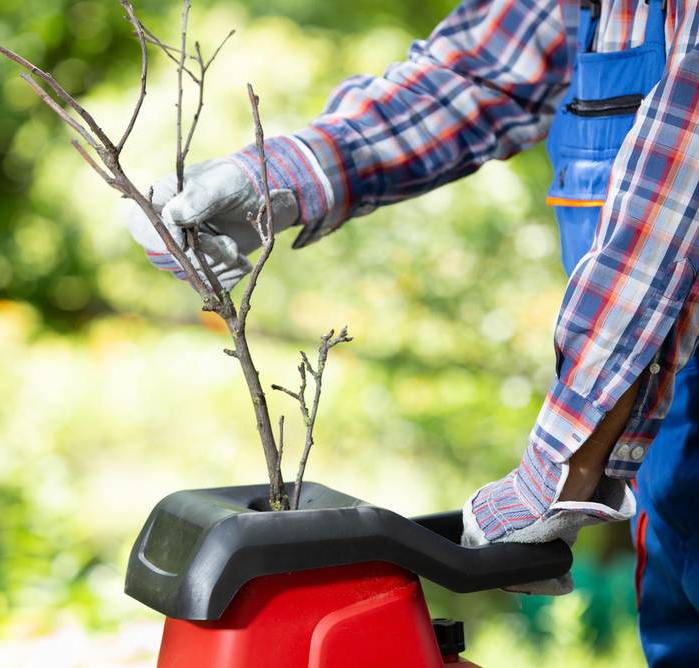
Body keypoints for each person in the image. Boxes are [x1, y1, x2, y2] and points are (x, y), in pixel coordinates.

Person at [127, 0, 699, 664]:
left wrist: (565, 470)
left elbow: (680, 194)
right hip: (670, 477)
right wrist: (272, 178)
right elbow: (483, 71)